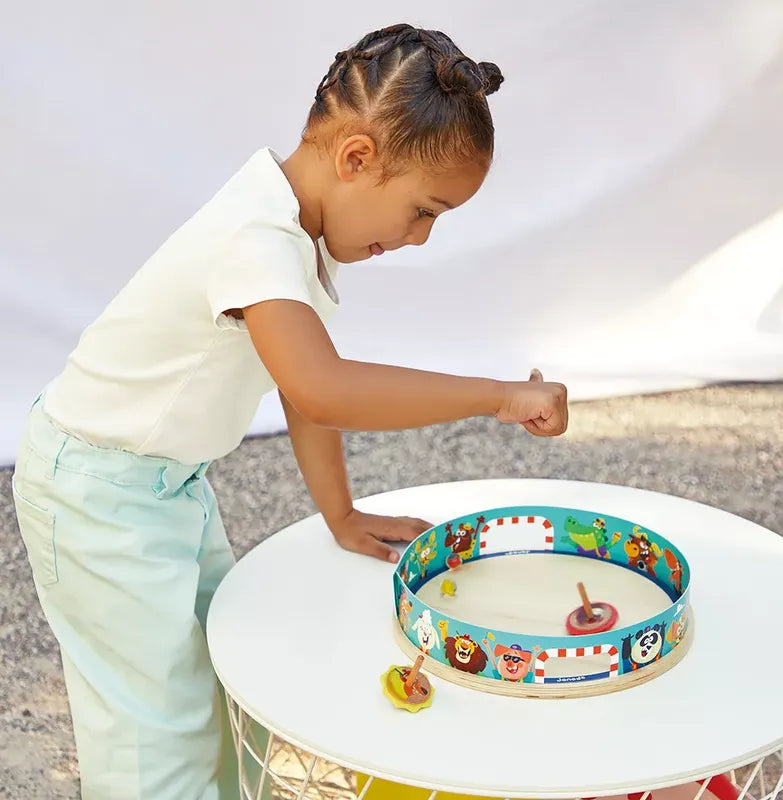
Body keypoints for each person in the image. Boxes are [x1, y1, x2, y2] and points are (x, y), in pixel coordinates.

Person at [12, 23, 568, 800]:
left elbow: (304, 389)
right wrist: (501, 396)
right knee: (153, 729)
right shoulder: (257, 237)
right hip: (97, 489)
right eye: (422, 210)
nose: (419, 238)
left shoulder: (292, 231)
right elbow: (321, 388)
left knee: (221, 674)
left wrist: (340, 513)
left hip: (160, 483)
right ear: (357, 158)